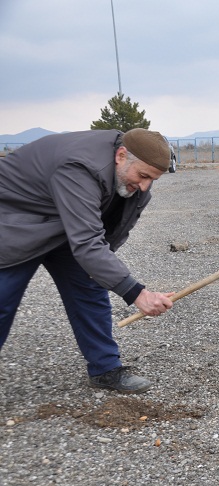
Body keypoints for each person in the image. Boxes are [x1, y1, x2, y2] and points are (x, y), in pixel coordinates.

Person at [0, 128, 176, 394]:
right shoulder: (80, 166)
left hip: (64, 226)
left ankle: (105, 369)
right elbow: (87, 243)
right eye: (142, 176)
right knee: (2, 298)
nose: (144, 186)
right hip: (16, 221)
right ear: (120, 156)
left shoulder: (134, 184)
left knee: (91, 289)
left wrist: (101, 271)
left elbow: (108, 235)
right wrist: (136, 292)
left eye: (152, 179)